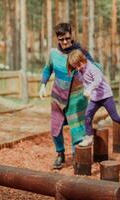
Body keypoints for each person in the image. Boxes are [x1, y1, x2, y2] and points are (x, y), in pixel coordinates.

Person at [39, 23, 95, 169]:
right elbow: (47, 70)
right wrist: (43, 85)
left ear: (72, 35)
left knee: (77, 128)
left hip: (77, 97)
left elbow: (94, 67)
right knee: (55, 127)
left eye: (67, 38)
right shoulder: (53, 54)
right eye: (61, 39)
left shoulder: (80, 51)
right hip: (57, 96)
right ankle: (60, 154)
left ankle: (78, 156)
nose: (65, 42)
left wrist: (92, 84)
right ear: (57, 38)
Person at [67, 49, 120, 146]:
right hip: (95, 99)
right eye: (76, 67)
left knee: (115, 117)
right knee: (88, 116)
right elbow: (83, 80)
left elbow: (97, 81)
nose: (78, 68)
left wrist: (90, 89)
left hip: (106, 96)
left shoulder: (93, 68)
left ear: (83, 60)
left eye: (79, 65)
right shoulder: (80, 71)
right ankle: (89, 137)